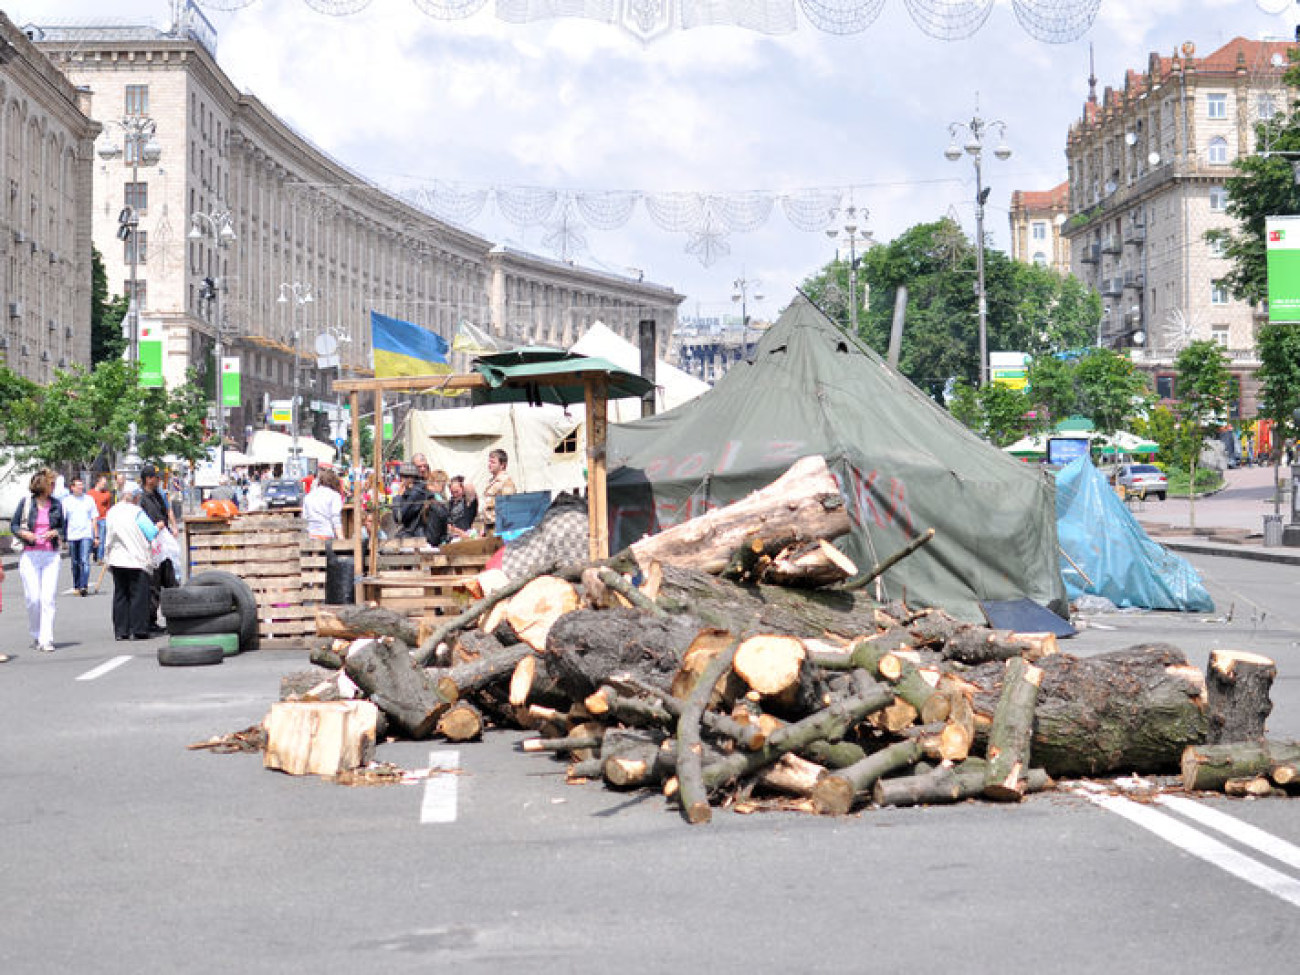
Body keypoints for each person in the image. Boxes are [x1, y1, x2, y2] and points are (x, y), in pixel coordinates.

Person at [10, 469, 65, 653]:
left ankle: (46, 638)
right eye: (52, 484)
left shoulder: (56, 504)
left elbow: (62, 527)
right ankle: (36, 632)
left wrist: (55, 532)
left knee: (47, 598)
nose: (54, 487)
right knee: (33, 598)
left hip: (50, 555)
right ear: (43, 485)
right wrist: (24, 533)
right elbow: (14, 525)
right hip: (30, 554)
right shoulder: (26, 503)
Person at [103, 485, 153, 641]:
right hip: (136, 558)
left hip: (117, 557)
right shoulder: (137, 513)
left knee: (121, 594)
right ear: (136, 497)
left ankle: (121, 630)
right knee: (139, 594)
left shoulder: (112, 512)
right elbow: (150, 532)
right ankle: (139, 628)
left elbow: (109, 534)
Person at [138, 464, 176, 632]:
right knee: (154, 584)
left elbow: (166, 512)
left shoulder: (157, 495)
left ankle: (175, 617)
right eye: (156, 477)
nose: (159, 480)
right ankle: (150, 619)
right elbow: (148, 521)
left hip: (164, 543)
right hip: (152, 543)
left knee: (170, 581)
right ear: (148, 479)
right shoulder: (143, 498)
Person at [62, 476, 99, 596]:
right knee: (75, 562)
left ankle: (84, 586)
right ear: (72, 487)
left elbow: (94, 518)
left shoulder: (89, 499)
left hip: (86, 534)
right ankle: (76, 585)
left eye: (81, 485)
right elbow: (63, 520)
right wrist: (62, 538)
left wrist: (96, 536)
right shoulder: (66, 501)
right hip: (72, 535)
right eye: (78, 486)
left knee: (84, 561)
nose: (81, 488)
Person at [302, 467, 345, 540]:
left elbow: (305, 517)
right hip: (326, 535)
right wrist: (341, 538)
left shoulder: (309, 496)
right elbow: (335, 518)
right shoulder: (334, 495)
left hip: (310, 535)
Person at [391, 463, 433, 538]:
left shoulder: (415, 494)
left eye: (403, 477)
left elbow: (398, 517)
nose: (401, 480)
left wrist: (398, 497)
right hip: (415, 532)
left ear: (410, 478)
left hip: (415, 534)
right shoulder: (418, 491)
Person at [482, 448, 517, 530]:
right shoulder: (491, 481)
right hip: (489, 525)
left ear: (502, 465)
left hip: (499, 527)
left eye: (493, 462)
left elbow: (508, 507)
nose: (489, 464)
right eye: (489, 461)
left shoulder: (506, 482)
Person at [88, 474, 113, 563]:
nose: (104, 485)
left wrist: (108, 517)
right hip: (92, 519)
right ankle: (95, 552)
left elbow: (108, 507)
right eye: (103, 483)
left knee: (101, 539)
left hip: (103, 518)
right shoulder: (90, 493)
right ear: (97, 483)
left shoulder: (107, 494)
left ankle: (100, 557)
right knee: (93, 537)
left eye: (105, 484)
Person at [446, 475, 479, 540]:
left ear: (463, 488)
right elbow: (448, 523)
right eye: (452, 492)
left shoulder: (467, 501)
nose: (455, 494)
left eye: (457, 491)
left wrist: (462, 482)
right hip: (454, 536)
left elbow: (470, 488)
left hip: (467, 535)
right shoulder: (450, 503)